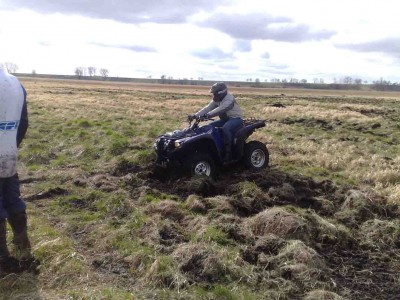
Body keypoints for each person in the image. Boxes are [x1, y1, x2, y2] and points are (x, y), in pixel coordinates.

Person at [0, 64, 32, 274]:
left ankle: (2, 259)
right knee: (12, 197)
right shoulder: (15, 83)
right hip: (8, 153)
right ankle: (23, 245)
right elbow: (24, 123)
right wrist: (10, 144)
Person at [189, 82, 244, 160]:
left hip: (236, 119)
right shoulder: (217, 99)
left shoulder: (229, 99)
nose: (213, 95)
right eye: (213, 94)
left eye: (215, 94)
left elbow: (221, 109)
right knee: (209, 127)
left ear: (222, 93)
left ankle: (228, 151)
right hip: (225, 120)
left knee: (226, 128)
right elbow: (207, 108)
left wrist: (207, 115)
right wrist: (195, 115)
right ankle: (215, 146)